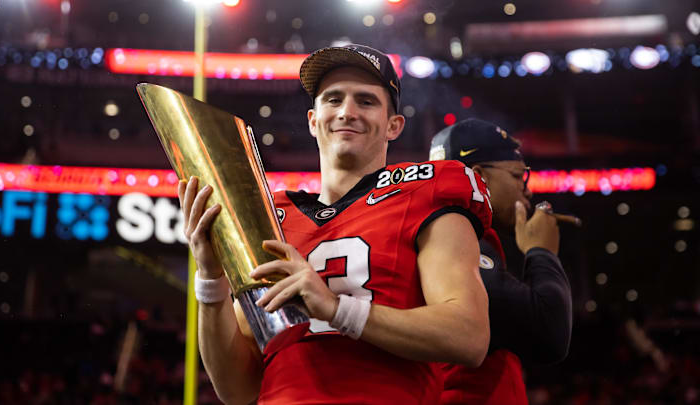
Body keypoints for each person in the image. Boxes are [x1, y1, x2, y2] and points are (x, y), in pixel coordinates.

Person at [178, 44, 494, 405]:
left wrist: (336, 307)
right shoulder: (272, 218)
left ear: (394, 126)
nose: (347, 112)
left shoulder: (425, 193)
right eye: (332, 99)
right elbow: (236, 390)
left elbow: (469, 337)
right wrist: (210, 276)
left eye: (366, 101)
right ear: (313, 121)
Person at [429, 118, 573, 405]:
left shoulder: (435, 231)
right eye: (519, 176)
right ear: (479, 177)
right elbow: (550, 334)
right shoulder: (460, 239)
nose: (528, 191)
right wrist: (541, 251)